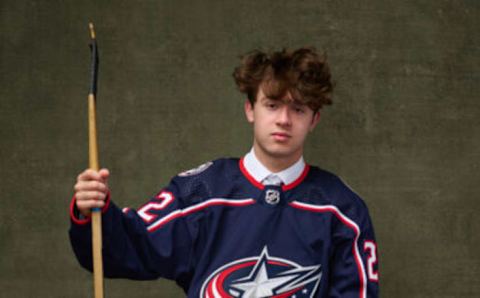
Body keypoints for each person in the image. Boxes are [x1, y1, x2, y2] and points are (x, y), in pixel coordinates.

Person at [69, 47, 379, 297]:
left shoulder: (342, 209)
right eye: (272, 105)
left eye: (298, 109)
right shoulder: (200, 191)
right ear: (250, 110)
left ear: (314, 119)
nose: (284, 119)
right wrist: (92, 211)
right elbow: (122, 249)